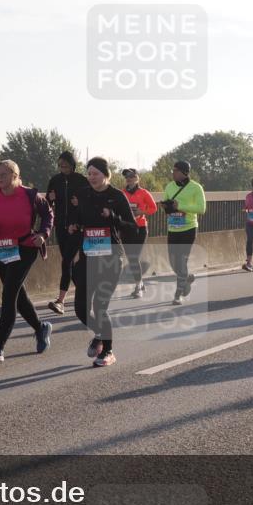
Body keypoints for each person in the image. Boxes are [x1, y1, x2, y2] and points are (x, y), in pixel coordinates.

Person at [0, 161, 54, 363]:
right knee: (18, 296)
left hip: (25, 247)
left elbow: (48, 214)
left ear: (15, 175)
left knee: (9, 293)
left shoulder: (30, 195)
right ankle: (40, 327)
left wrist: (43, 234)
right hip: (1, 249)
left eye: (3, 174)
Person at [67, 157, 138, 366]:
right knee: (80, 307)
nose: (91, 177)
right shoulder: (83, 194)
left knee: (100, 306)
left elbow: (132, 227)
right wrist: (74, 225)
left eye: (95, 174)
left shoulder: (116, 197)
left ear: (106, 175)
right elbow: (79, 218)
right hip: (88, 256)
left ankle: (108, 351)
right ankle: (100, 332)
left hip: (111, 258)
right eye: (89, 173)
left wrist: (113, 217)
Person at [45, 152, 89, 315]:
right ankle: (85, 294)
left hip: (76, 227)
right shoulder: (55, 180)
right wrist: (49, 198)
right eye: (60, 165)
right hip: (60, 227)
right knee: (69, 264)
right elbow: (47, 204)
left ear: (72, 165)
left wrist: (80, 202)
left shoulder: (81, 180)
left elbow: (91, 202)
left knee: (66, 261)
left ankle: (60, 301)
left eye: (65, 165)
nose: (62, 168)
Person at [162, 160, 207, 305]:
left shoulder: (196, 187)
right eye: (172, 170)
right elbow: (167, 205)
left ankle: (178, 294)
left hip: (189, 228)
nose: (172, 173)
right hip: (173, 228)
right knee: (173, 262)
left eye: (175, 170)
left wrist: (180, 205)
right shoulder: (169, 186)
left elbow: (201, 209)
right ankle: (187, 277)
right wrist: (167, 207)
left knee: (182, 261)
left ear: (184, 172)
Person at [121, 169, 157, 297]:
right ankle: (140, 283)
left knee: (134, 257)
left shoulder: (144, 193)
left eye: (131, 176)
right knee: (131, 258)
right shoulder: (122, 193)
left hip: (140, 228)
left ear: (137, 178)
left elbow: (154, 208)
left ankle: (138, 287)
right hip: (125, 229)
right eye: (126, 177)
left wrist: (141, 212)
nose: (128, 178)